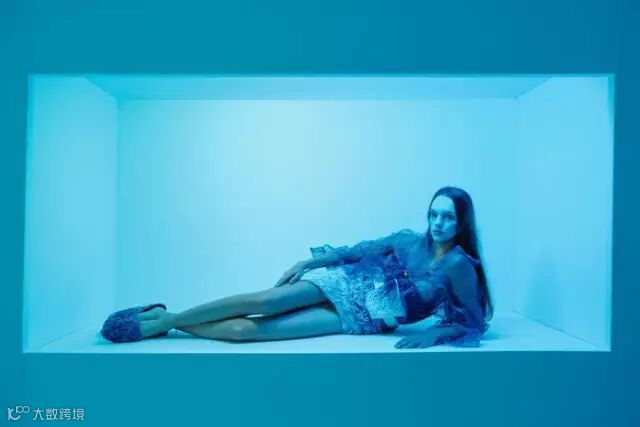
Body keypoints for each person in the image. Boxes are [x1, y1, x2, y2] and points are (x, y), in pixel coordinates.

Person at [100, 186, 493, 349]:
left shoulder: (459, 265)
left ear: (461, 221)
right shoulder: (409, 240)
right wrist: (310, 261)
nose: (437, 223)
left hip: (363, 319)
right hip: (345, 284)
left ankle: (164, 319)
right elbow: (360, 250)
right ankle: (162, 321)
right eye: (433, 214)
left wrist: (434, 335)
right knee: (263, 302)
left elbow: (474, 323)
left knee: (247, 333)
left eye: (447, 217)